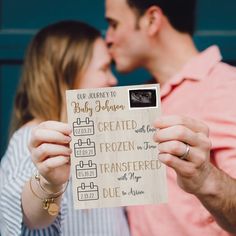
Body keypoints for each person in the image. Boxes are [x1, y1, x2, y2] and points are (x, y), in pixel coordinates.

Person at [105, 0, 236, 235]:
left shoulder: (226, 88)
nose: (108, 39)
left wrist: (206, 179)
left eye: (114, 24)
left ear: (152, 20)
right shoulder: (138, 99)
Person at [0, 20, 130, 235]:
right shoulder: (34, 140)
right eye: (104, 69)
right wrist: (50, 184)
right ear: (67, 74)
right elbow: (32, 216)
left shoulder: (99, 139)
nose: (113, 80)